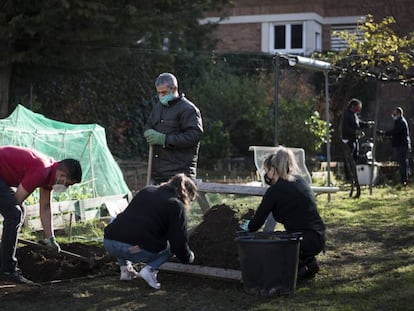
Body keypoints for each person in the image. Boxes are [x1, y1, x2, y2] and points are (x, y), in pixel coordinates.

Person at [0, 145, 82, 285]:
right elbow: (17, 201)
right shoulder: (42, 170)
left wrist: (50, 238)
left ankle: (6, 263)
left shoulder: (50, 173)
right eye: (68, 185)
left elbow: (45, 207)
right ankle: (8, 270)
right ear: (62, 176)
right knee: (15, 213)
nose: (66, 187)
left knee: (18, 212)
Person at [242, 146, 326, 280]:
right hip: (318, 238)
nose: (265, 174)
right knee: (282, 237)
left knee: (269, 246)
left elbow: (255, 224)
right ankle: (307, 262)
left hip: (302, 240)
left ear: (273, 169)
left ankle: (298, 268)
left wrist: (245, 227)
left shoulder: (275, 191)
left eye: (266, 170)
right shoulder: (300, 181)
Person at [103, 173, 197, 290]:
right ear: (186, 195)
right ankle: (149, 270)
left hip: (110, 242)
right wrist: (188, 257)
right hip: (133, 249)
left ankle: (125, 270)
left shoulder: (146, 191)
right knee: (171, 246)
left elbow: (131, 220)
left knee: (118, 222)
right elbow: (178, 243)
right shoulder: (176, 205)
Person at [144, 72, 203, 185]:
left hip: (180, 176)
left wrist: (164, 139)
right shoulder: (158, 107)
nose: (161, 96)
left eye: (164, 92)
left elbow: (194, 136)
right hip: (157, 173)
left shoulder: (188, 110)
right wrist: (148, 132)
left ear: (174, 88)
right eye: (159, 93)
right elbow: (149, 124)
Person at [341, 98, 374, 198]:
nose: (359, 109)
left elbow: (359, 123)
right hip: (348, 140)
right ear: (353, 106)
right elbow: (346, 128)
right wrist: (355, 132)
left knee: (354, 160)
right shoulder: (346, 115)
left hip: (354, 140)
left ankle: (354, 179)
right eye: (358, 107)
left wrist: (367, 124)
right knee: (350, 160)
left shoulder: (353, 115)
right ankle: (349, 177)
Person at [379, 107, 411, 185]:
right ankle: (404, 179)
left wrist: (384, 133)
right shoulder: (399, 121)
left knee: (403, 163)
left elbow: (395, 132)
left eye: (395, 114)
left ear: (399, 113)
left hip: (402, 145)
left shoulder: (401, 122)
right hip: (401, 144)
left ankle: (404, 180)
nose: (393, 115)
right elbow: (396, 134)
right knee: (402, 162)